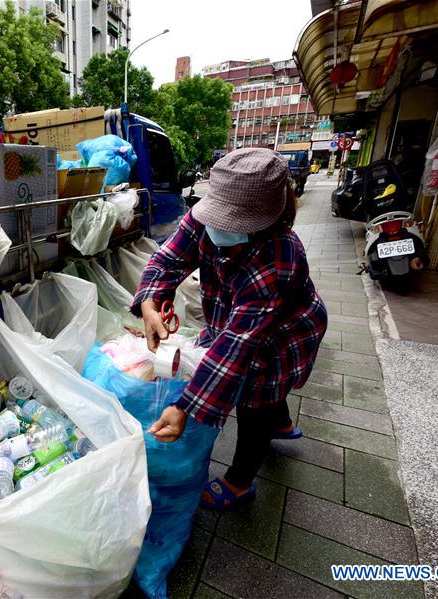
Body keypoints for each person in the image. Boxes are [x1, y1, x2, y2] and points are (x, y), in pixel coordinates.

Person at [131, 147, 327, 510]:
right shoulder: (204, 218)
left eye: (234, 222)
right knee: (260, 391)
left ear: (265, 219)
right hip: (235, 320)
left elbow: (236, 348)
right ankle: (280, 422)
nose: (219, 227)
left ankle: (240, 482)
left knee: (256, 399)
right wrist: (149, 302)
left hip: (285, 332)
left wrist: (184, 407)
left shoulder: (280, 256)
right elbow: (168, 258)